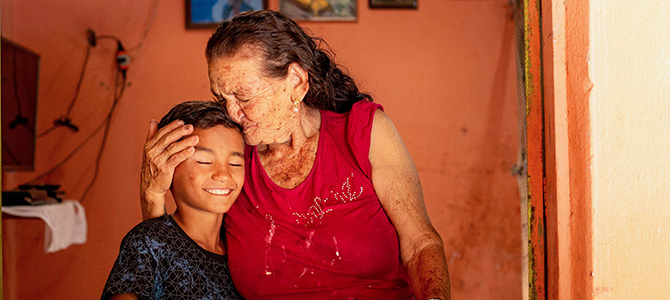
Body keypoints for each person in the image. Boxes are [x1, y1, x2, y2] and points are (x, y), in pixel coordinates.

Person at [140, 10, 451, 300]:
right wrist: (153, 195)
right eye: (222, 98)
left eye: (244, 96)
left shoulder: (364, 131)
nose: (233, 113)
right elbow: (180, 266)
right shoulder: (232, 161)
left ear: (296, 82)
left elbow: (420, 244)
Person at [102, 101, 245, 300]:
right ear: (168, 167)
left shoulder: (243, 248)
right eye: (204, 161)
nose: (223, 174)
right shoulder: (146, 242)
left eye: (235, 163)